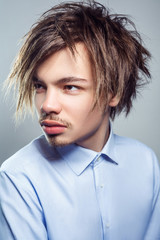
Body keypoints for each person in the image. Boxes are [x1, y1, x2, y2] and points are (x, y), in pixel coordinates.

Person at [0, 1, 160, 239]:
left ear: (112, 92)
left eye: (70, 87)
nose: (46, 105)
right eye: (40, 86)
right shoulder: (18, 176)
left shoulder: (145, 163)